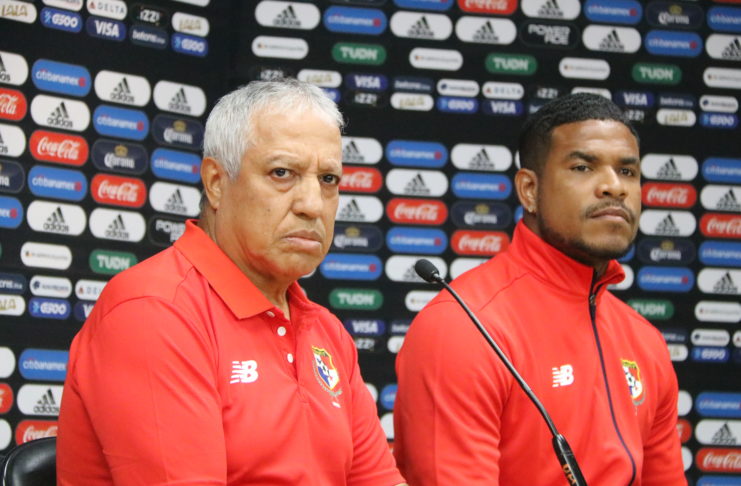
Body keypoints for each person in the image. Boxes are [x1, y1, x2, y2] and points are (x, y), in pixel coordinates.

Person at [57, 79, 406, 486]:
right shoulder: (154, 311)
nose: (313, 205)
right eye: (282, 173)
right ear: (216, 183)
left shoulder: (326, 331)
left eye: (328, 179)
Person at [393, 93, 687, 485]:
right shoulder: (463, 327)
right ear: (530, 190)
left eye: (627, 171)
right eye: (583, 167)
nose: (614, 187)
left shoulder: (644, 341)